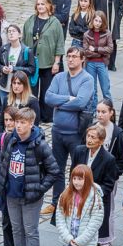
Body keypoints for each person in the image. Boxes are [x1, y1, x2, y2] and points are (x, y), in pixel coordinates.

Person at [0, 107, 58, 246]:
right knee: (17, 229)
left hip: (30, 196)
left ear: (31, 124)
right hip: (12, 193)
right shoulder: (11, 139)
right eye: (17, 122)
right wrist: (1, 180)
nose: (18, 126)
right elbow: (2, 159)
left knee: (30, 231)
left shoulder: (39, 144)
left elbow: (54, 171)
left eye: (22, 122)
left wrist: (39, 189)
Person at [47, 46, 98, 181]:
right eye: (68, 56)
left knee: (77, 171)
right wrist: (68, 98)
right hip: (57, 131)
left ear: (82, 59)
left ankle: (75, 200)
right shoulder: (59, 77)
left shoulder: (87, 79)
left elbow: (80, 103)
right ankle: (57, 199)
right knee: (57, 170)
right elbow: (48, 98)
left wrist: (58, 103)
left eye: (74, 57)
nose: (70, 59)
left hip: (76, 133)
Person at [23, 0, 65, 123]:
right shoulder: (30, 20)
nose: (40, 6)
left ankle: (47, 116)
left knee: (47, 91)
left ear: (49, 6)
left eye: (43, 4)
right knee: (32, 91)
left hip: (48, 62)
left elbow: (59, 43)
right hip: (32, 62)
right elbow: (24, 39)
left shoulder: (55, 22)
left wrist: (57, 62)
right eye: (38, 4)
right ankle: (34, 116)